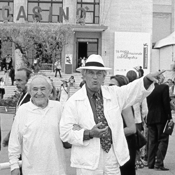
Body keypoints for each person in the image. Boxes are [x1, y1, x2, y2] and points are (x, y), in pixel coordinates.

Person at [60, 54, 163, 175]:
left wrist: (147, 79)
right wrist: (89, 133)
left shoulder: (114, 94)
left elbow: (132, 91)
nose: (95, 77)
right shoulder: (73, 102)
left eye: (99, 74)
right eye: (91, 73)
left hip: (111, 157)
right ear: (84, 75)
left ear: (104, 77)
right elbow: (65, 134)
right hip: (87, 160)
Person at [8, 74, 66, 175]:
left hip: (57, 170)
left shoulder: (58, 108)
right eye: (35, 89)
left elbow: (68, 133)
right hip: (32, 171)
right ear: (29, 92)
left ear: (49, 90)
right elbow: (14, 141)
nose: (39, 93)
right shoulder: (23, 111)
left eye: (43, 89)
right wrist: (14, 166)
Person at [110, 75, 136, 175]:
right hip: (117, 143)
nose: (109, 87)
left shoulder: (125, 103)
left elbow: (132, 129)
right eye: (109, 85)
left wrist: (110, 133)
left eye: (113, 85)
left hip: (126, 144)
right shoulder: (113, 102)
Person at [147, 73, 174, 171]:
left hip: (151, 117)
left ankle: (150, 163)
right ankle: (159, 163)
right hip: (161, 117)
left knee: (152, 141)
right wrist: (169, 117)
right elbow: (166, 103)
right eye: (163, 77)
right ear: (159, 79)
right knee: (163, 139)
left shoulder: (149, 88)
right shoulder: (164, 87)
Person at [126, 70, 148, 169]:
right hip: (137, 120)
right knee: (136, 142)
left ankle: (128, 160)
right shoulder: (139, 91)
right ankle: (136, 160)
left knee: (127, 142)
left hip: (126, 121)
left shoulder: (124, 89)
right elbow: (145, 109)